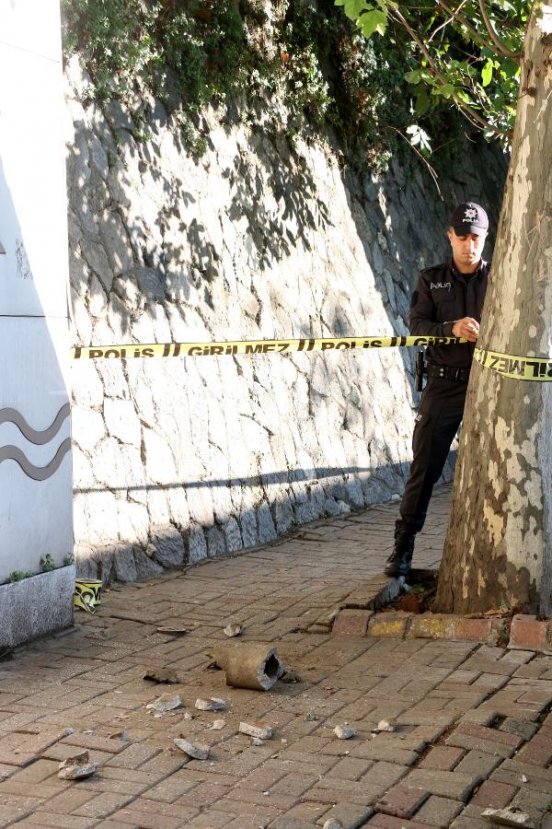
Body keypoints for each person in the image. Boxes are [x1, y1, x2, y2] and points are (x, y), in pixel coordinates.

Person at [384, 201, 491, 578]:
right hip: (444, 383)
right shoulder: (431, 280)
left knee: (496, 470)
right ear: (450, 237)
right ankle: (403, 546)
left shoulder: (500, 279)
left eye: (475, 237)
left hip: (489, 386)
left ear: (485, 238)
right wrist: (451, 330)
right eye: (461, 237)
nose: (468, 245)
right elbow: (417, 326)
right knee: (424, 467)